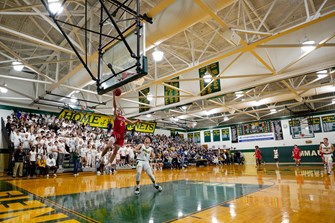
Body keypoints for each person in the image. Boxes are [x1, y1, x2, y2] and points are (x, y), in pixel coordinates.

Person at [101, 92, 139, 166]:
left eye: (119, 110)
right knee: (108, 146)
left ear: (121, 112)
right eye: (117, 110)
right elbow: (115, 106)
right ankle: (101, 156)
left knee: (115, 152)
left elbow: (131, 123)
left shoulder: (124, 118)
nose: (118, 110)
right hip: (115, 133)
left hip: (121, 136)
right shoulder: (115, 116)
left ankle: (109, 164)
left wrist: (137, 121)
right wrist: (114, 96)